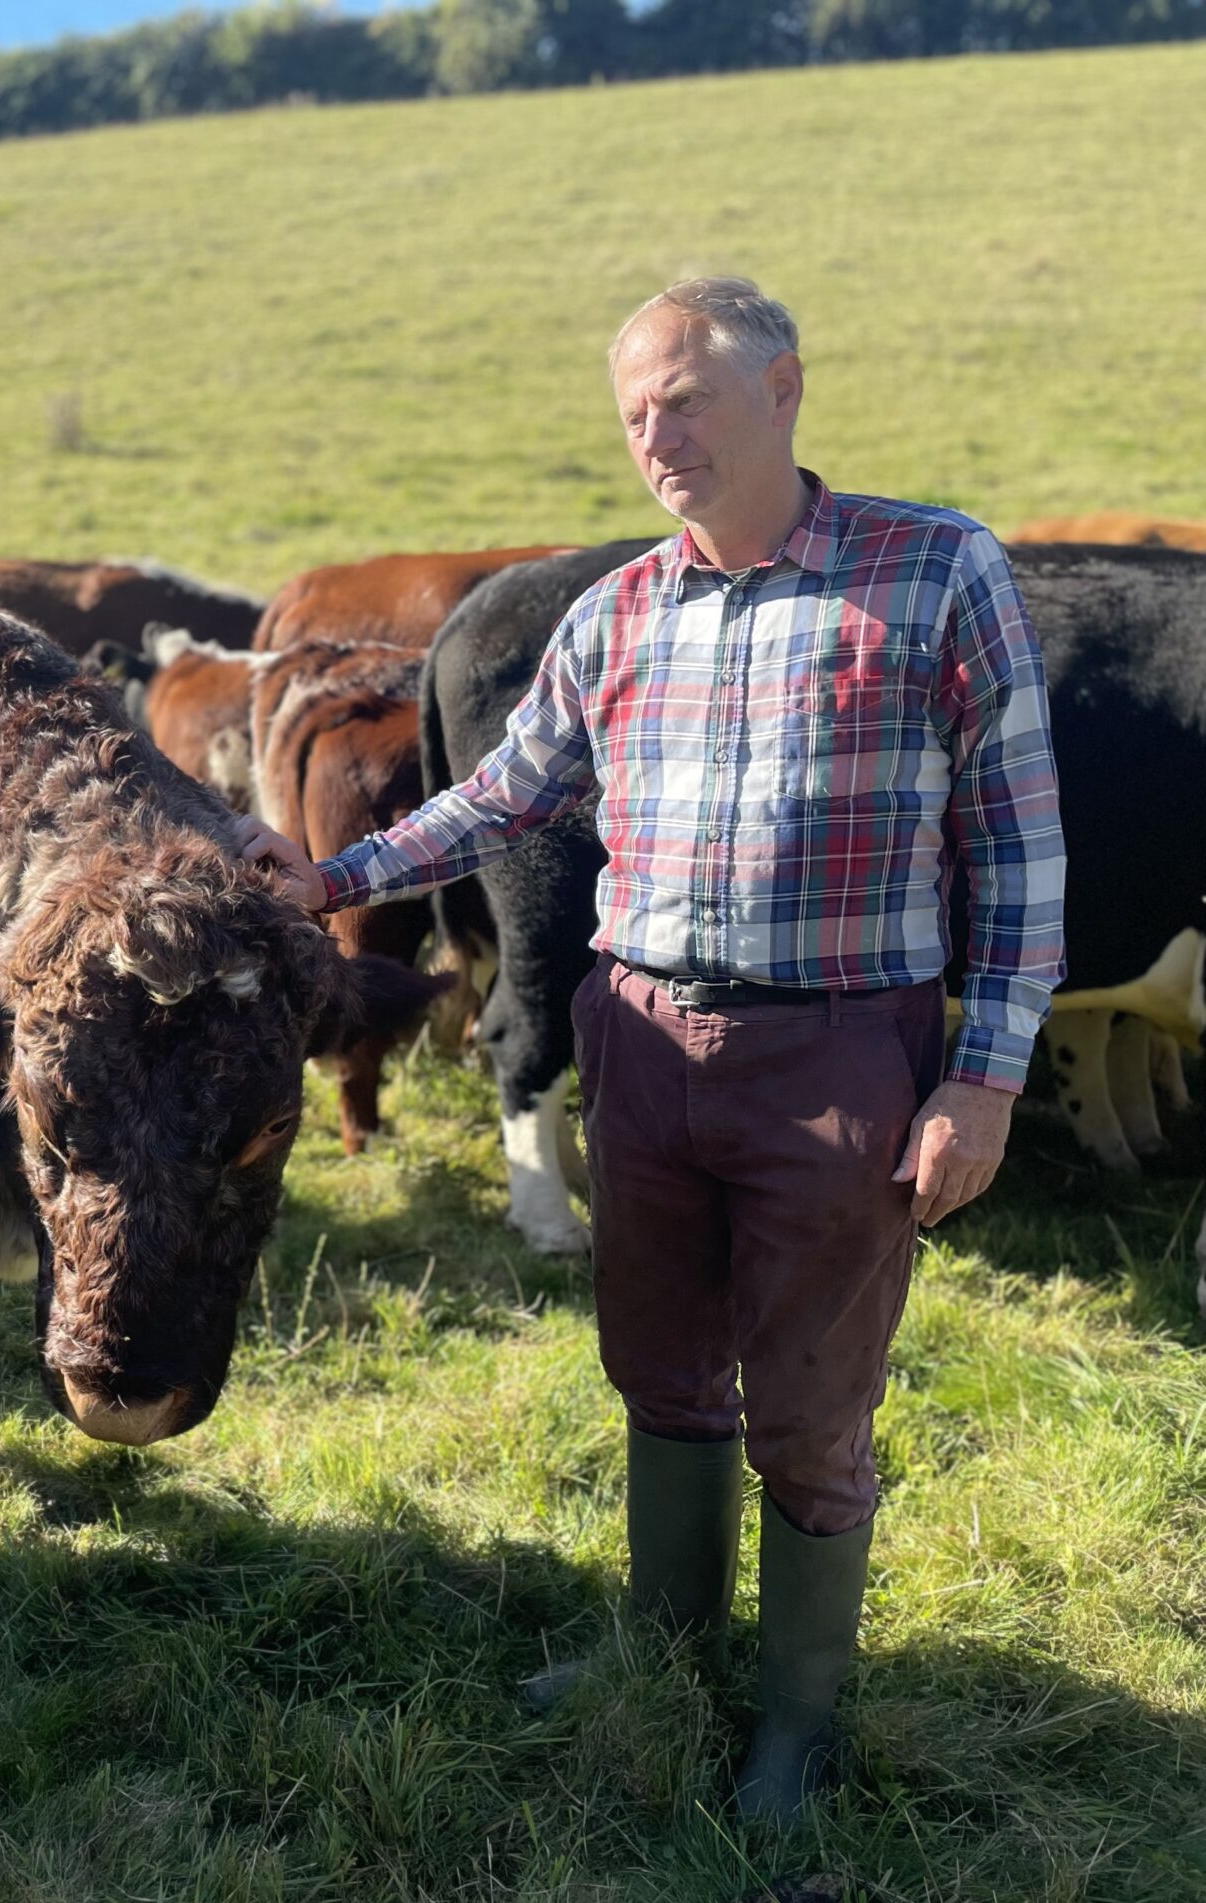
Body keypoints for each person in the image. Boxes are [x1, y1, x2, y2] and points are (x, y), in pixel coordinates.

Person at [259, 278, 1066, 1823]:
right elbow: (502, 797)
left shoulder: (935, 570)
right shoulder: (618, 609)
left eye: (686, 397)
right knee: (660, 1369)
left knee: (812, 1402)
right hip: (638, 1042)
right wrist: (332, 878)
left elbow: (1019, 845)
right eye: (635, 411)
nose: (657, 436)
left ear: (785, 390)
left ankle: (796, 1726)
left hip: (839, 1054)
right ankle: (670, 1644)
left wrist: (986, 1074)